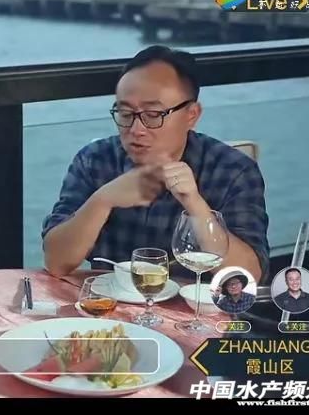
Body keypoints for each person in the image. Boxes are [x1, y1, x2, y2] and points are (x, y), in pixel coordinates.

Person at [42, 45, 270, 282]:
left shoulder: (233, 169)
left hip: (194, 303)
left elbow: (248, 276)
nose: (136, 129)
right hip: (108, 299)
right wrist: (103, 200)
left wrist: (195, 204)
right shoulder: (94, 159)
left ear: (191, 115)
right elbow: (56, 262)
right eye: (125, 114)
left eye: (153, 115)